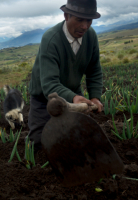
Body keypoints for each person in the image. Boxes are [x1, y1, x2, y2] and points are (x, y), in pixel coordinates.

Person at [27, 0, 104, 151]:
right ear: (66, 16)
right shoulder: (51, 39)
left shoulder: (91, 36)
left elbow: (94, 69)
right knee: (39, 144)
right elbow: (49, 84)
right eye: (79, 19)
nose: (85, 26)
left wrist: (95, 97)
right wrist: (74, 98)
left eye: (89, 20)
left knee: (78, 138)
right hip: (44, 98)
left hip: (72, 93)